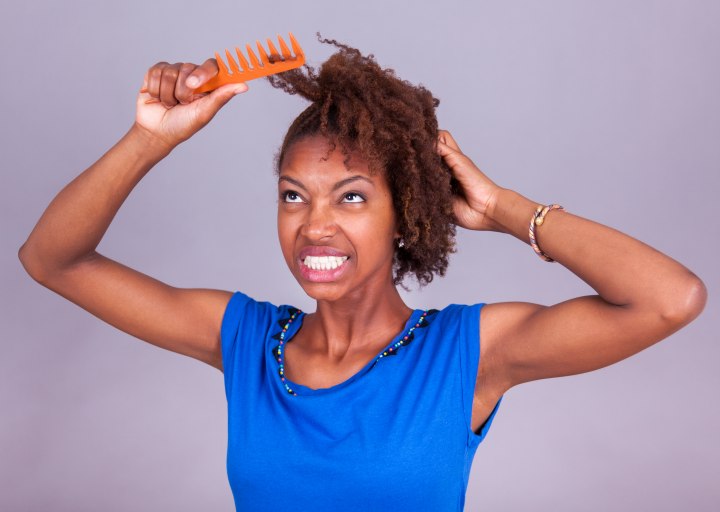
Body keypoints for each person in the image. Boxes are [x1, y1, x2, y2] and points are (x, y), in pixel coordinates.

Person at [18, 36, 707, 511]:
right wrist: (150, 139)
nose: (315, 225)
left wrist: (502, 207)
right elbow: (50, 259)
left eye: (351, 196)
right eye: (294, 195)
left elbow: (670, 299)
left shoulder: (468, 356)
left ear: (404, 214)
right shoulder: (245, 341)